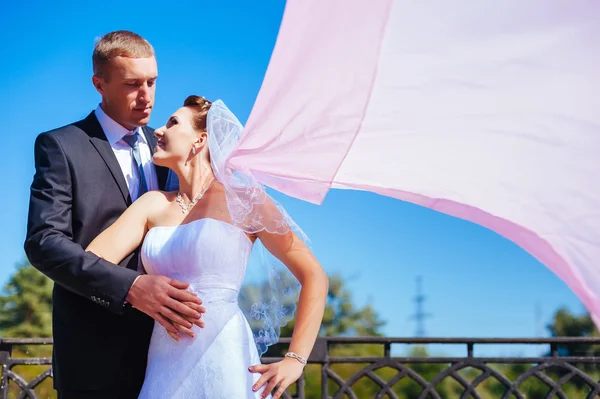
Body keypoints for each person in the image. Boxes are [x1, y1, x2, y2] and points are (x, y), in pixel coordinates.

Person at [85, 95, 329, 398]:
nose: (158, 131)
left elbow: (314, 276)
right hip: (163, 361)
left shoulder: (245, 200)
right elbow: (91, 263)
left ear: (200, 140)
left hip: (225, 354)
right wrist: (138, 291)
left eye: (173, 123)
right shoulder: (152, 204)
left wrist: (295, 359)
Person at [24, 30, 205, 399]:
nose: (147, 96)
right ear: (99, 84)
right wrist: (131, 287)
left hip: (173, 353)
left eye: (152, 82)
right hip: (95, 355)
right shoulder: (61, 145)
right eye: (132, 84)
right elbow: (44, 243)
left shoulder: (172, 152)